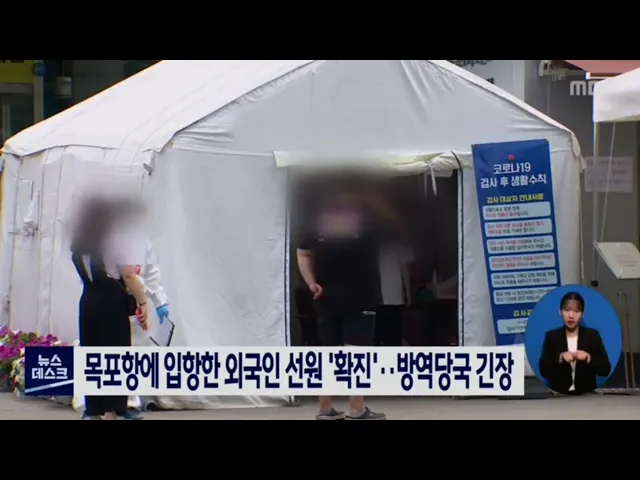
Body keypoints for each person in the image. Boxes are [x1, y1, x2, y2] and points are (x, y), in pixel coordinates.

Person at [297, 182, 387, 421]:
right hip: (360, 296)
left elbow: (302, 252)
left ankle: (325, 407)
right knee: (356, 353)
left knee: (329, 352)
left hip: (326, 297)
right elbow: (391, 220)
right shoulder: (369, 224)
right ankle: (356, 409)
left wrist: (311, 283)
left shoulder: (318, 226)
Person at [71, 197, 148, 420]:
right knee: (114, 356)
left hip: (88, 300)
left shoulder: (78, 242)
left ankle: (93, 411)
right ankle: (113, 412)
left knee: (93, 356)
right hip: (111, 304)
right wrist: (142, 301)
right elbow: (128, 274)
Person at [539, 291, 611, 395]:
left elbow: (605, 370)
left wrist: (588, 358)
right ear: (560, 312)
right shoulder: (552, 337)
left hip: (586, 396)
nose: (571, 316)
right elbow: (543, 371)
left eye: (576, 311)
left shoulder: (592, 336)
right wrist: (560, 358)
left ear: (582, 314)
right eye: (567, 310)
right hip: (559, 396)